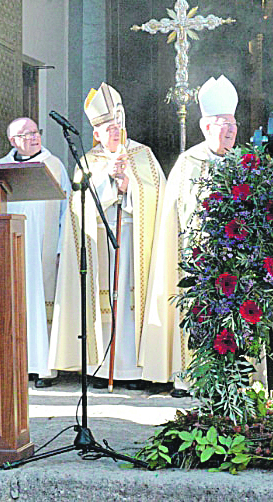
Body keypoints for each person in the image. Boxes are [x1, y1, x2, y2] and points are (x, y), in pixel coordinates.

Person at [47, 83, 165, 384]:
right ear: (97, 133)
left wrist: (129, 187)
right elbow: (78, 204)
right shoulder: (88, 162)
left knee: (130, 301)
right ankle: (100, 366)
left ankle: (136, 369)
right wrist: (109, 183)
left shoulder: (144, 155)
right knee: (106, 303)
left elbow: (158, 197)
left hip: (134, 241)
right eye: (107, 128)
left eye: (117, 126)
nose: (115, 132)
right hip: (99, 244)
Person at [141, 75, 239, 394]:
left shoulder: (241, 162)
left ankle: (230, 376)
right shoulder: (188, 162)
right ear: (206, 127)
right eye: (223, 122)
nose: (231, 129)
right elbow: (183, 211)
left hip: (235, 259)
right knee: (197, 315)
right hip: (199, 256)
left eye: (233, 122)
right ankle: (190, 376)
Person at [0, 117, 71, 388]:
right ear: (13, 141)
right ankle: (17, 364)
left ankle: (45, 369)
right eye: (26, 134)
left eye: (35, 132)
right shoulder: (0, 169)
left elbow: (67, 212)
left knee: (43, 303)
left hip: (45, 251)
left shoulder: (55, 166)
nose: (34, 137)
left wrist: (62, 247)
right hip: (12, 251)